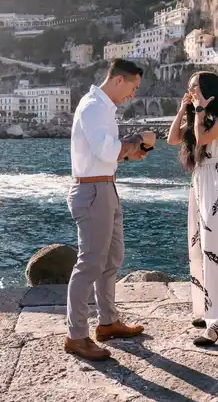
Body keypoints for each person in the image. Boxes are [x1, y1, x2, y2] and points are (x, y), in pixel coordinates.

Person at [64, 58, 157, 361]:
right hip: (93, 192)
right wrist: (137, 139)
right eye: (133, 87)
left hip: (104, 188)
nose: (133, 94)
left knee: (112, 258)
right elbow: (106, 150)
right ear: (119, 80)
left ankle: (107, 323)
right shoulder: (93, 107)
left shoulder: (103, 109)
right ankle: (76, 336)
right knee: (89, 264)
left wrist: (129, 154)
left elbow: (105, 154)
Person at [167, 71, 218, 347]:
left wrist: (198, 111)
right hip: (200, 181)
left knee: (216, 249)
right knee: (198, 246)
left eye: (194, 87)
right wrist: (183, 109)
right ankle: (207, 312)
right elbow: (173, 139)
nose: (191, 91)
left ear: (208, 89)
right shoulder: (198, 114)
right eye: (189, 88)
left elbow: (203, 138)